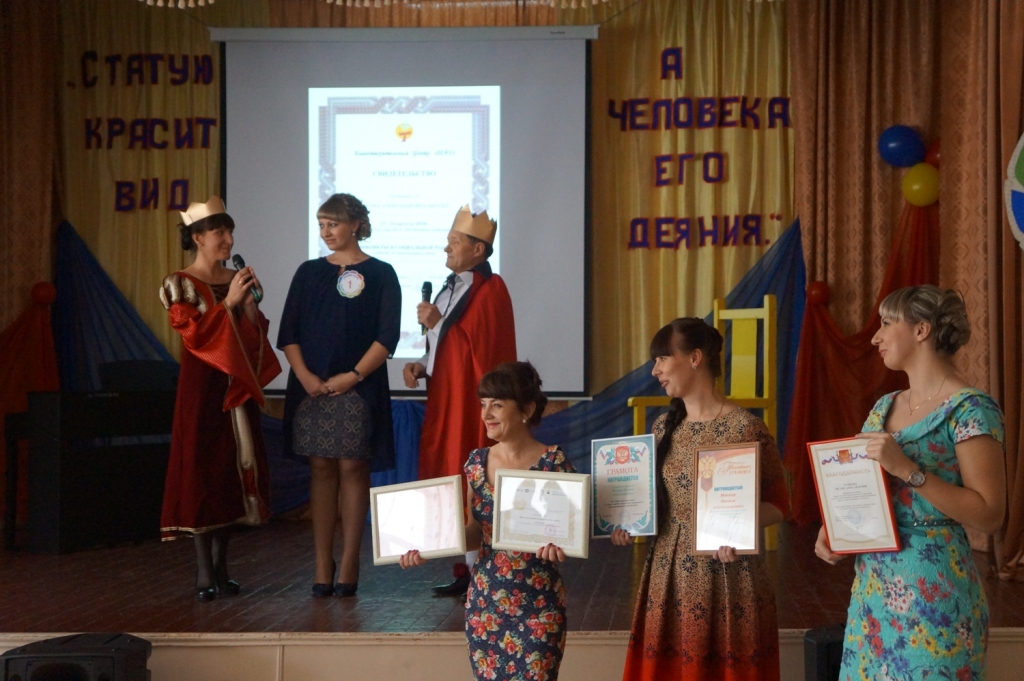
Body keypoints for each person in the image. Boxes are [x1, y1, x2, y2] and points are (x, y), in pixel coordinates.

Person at [814, 285, 1005, 680]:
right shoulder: (884, 406)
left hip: (937, 595)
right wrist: (836, 529)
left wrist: (907, 469)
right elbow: (862, 490)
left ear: (922, 330)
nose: (876, 337)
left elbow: (989, 515)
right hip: (872, 593)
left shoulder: (971, 409)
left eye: (886, 323)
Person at [610, 317, 790, 680]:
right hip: (668, 573)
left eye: (663, 358)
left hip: (728, 574)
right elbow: (655, 503)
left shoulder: (746, 427)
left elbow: (779, 505)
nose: (655, 370)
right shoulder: (663, 426)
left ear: (694, 358)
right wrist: (629, 523)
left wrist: (737, 529)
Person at [400, 362, 572, 681]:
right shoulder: (476, 463)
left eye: (497, 405)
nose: (486, 414)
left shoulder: (554, 463)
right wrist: (428, 546)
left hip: (538, 602)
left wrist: (560, 546)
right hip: (485, 603)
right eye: (483, 404)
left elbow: (571, 533)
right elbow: (474, 533)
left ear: (526, 410)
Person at [158, 195, 281, 602]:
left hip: (235, 387)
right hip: (202, 391)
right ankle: (203, 569)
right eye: (219, 233)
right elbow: (193, 336)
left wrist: (249, 309)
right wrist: (227, 304)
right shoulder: (180, 284)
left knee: (233, 469)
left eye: (230, 232)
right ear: (197, 237)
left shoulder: (235, 279)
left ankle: (222, 565)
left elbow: (253, 339)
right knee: (202, 470)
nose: (228, 240)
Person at [278, 193, 401, 598]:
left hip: (358, 388)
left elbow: (387, 337)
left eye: (333, 224)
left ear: (355, 225)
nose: (326, 232)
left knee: (352, 468)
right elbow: (289, 332)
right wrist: (304, 376)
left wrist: (353, 376)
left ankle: (349, 560)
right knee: (320, 468)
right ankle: (321, 561)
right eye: (321, 225)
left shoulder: (381, 273)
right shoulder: (309, 272)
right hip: (311, 387)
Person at [403, 205, 517, 596]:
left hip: (471, 405)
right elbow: (448, 349)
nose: (446, 248)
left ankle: (481, 567)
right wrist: (423, 365)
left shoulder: (491, 288)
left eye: (454, 241)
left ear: (478, 249)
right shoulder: (449, 288)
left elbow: (480, 350)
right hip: (445, 398)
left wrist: (438, 323)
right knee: (450, 472)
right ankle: (465, 568)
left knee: (471, 475)